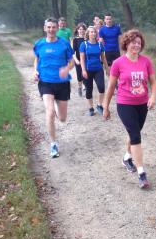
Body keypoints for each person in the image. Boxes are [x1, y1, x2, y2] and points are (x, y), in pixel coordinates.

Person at [102, 29, 156, 189]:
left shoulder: (146, 62)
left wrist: (153, 97)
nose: (136, 45)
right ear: (126, 44)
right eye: (133, 42)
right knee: (135, 135)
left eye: (139, 43)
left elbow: (153, 83)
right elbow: (111, 87)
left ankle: (127, 157)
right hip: (125, 103)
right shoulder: (118, 63)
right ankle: (142, 174)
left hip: (142, 104)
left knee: (134, 134)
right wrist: (105, 106)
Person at [33, 17, 75, 158]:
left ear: (57, 28)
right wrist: (35, 71)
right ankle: (53, 144)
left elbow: (71, 62)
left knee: (62, 118)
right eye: (48, 27)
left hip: (62, 83)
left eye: (53, 27)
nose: (51, 30)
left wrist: (67, 68)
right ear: (45, 28)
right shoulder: (39, 44)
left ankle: (57, 108)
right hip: (46, 82)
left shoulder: (64, 44)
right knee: (49, 112)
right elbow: (37, 59)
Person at [80, 26, 109, 116]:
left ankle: (99, 105)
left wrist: (107, 68)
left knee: (101, 88)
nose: (93, 33)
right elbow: (82, 59)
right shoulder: (83, 44)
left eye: (94, 32)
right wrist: (83, 70)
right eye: (91, 32)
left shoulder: (100, 44)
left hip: (98, 69)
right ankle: (90, 108)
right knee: (89, 89)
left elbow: (103, 58)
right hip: (88, 70)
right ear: (88, 34)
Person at [72, 23, 87, 97]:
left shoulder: (87, 39)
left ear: (85, 30)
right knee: (79, 76)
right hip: (78, 60)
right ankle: (80, 87)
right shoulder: (75, 40)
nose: (81, 31)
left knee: (86, 74)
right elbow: (72, 52)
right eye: (80, 29)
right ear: (77, 30)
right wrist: (76, 60)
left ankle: (86, 87)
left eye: (83, 29)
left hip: (86, 60)